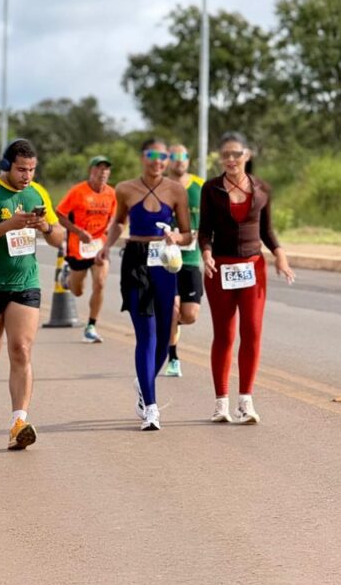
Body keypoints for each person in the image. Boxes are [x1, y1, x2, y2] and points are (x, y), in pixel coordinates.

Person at [0, 138, 65, 449]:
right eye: (21, 169)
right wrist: (9, 224)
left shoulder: (38, 192)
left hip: (26, 282)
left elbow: (59, 237)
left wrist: (45, 227)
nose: (27, 176)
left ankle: (18, 423)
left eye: (32, 170)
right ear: (7, 166)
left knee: (21, 349)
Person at [198, 132, 295, 424]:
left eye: (236, 154)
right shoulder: (211, 188)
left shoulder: (262, 188)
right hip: (220, 269)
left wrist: (280, 255)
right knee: (224, 335)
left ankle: (246, 402)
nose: (230, 159)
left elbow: (267, 230)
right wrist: (206, 254)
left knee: (251, 332)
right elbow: (205, 231)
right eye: (225, 155)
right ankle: (221, 403)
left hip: (253, 268)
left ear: (247, 155)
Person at [98, 138, 191, 431]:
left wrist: (176, 237)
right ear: (143, 157)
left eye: (163, 157)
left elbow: (187, 234)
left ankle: (144, 380)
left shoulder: (176, 190)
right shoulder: (125, 189)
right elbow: (119, 222)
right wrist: (106, 247)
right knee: (146, 334)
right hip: (136, 261)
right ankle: (151, 407)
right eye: (152, 155)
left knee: (165, 332)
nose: (158, 161)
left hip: (164, 262)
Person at [55, 155, 118, 343]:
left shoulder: (112, 194)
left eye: (106, 169)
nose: (103, 172)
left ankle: (91, 326)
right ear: (91, 171)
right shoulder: (78, 192)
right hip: (78, 248)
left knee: (100, 283)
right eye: (99, 168)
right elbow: (60, 214)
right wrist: (78, 232)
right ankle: (67, 277)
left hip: (99, 247)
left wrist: (109, 230)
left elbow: (116, 217)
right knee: (77, 291)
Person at [161, 144, 205, 377]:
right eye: (175, 156)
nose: (179, 160)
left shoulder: (200, 186)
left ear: (188, 159)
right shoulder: (159, 186)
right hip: (166, 260)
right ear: (168, 159)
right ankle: (173, 358)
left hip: (190, 259)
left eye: (183, 156)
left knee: (189, 315)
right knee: (172, 308)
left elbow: (211, 220)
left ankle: (170, 326)